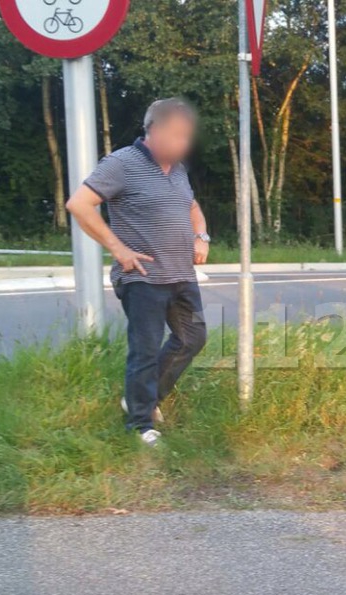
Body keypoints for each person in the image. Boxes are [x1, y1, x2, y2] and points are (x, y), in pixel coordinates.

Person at [65, 98, 209, 448]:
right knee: (144, 350)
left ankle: (142, 398)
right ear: (154, 130)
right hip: (142, 277)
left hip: (181, 274)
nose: (184, 144)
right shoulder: (121, 164)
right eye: (178, 135)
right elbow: (79, 204)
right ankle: (140, 424)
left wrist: (201, 235)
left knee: (193, 337)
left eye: (187, 137)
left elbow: (191, 206)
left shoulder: (177, 170)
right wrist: (119, 250)